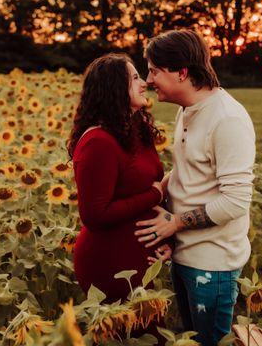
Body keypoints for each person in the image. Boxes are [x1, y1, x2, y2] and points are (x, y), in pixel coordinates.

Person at [134, 29, 256, 346]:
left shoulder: (227, 119)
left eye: (154, 71)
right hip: (185, 254)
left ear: (182, 72)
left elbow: (235, 202)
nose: (148, 80)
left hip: (212, 265)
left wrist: (174, 222)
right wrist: (153, 194)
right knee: (190, 338)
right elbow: (186, 171)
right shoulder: (186, 109)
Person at [67, 53, 172, 340]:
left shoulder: (136, 130)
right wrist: (153, 195)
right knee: (135, 336)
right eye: (135, 77)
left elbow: (145, 187)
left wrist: (165, 240)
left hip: (140, 257)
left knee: (149, 336)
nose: (145, 83)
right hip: (109, 264)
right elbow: (94, 215)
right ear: (114, 88)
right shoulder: (97, 142)